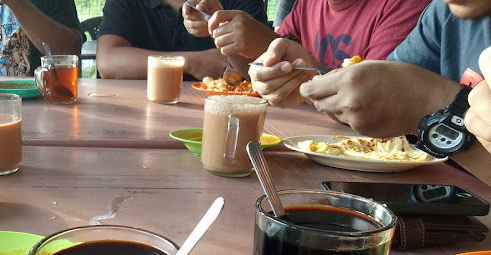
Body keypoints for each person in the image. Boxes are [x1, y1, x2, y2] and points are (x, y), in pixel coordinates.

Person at [249, 0, 491, 184]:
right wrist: (309, 75)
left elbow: (402, 99)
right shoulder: (443, 14)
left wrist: (432, 103)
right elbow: (375, 100)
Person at [183, 0, 428, 78]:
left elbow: (374, 102)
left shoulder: (404, 6)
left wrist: (268, 45)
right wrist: (226, 32)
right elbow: (260, 74)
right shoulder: (309, 3)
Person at [96, 0, 267, 80]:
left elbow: (265, 66)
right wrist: (192, 62)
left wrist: (224, 29)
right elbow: (108, 62)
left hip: (226, 117)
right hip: (137, 114)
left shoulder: (244, 2)